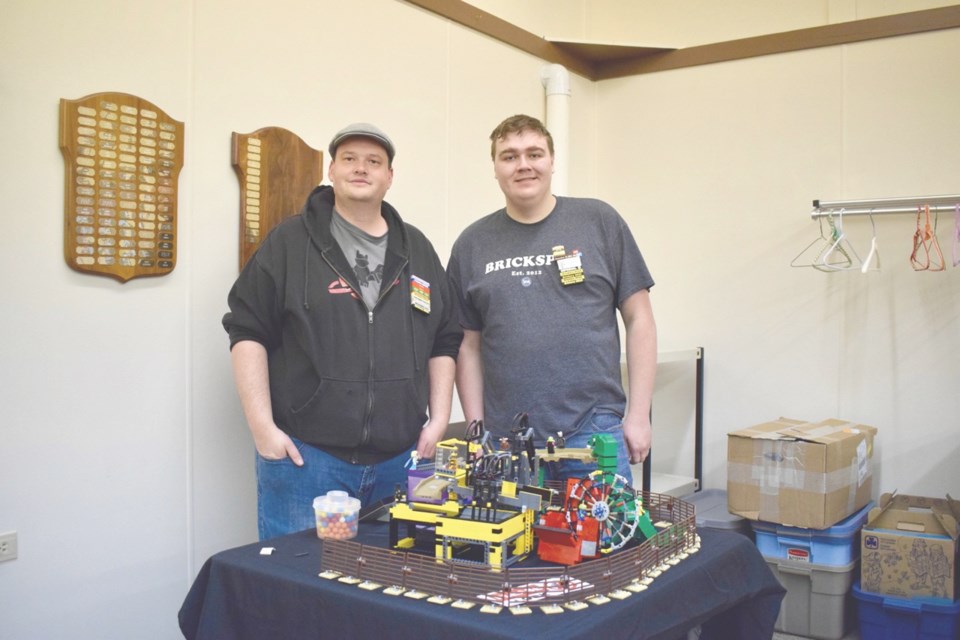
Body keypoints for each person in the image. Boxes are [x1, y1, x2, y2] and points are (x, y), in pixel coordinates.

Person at [223, 123, 462, 540]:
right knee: (298, 589)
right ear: (331, 170)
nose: (361, 169)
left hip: (401, 461)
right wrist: (263, 428)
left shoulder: (418, 250)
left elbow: (444, 338)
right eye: (349, 159)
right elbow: (247, 331)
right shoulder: (289, 243)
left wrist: (439, 418)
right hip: (307, 461)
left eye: (374, 161)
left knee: (391, 589)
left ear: (389, 176)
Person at [446, 114, 656, 485]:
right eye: (509, 156)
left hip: (594, 428)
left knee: (605, 540)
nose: (523, 165)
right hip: (506, 441)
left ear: (552, 161)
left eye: (534, 153)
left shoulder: (599, 221)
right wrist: (477, 430)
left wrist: (639, 416)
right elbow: (468, 345)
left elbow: (640, 319)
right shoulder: (471, 244)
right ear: (494, 168)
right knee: (512, 541)